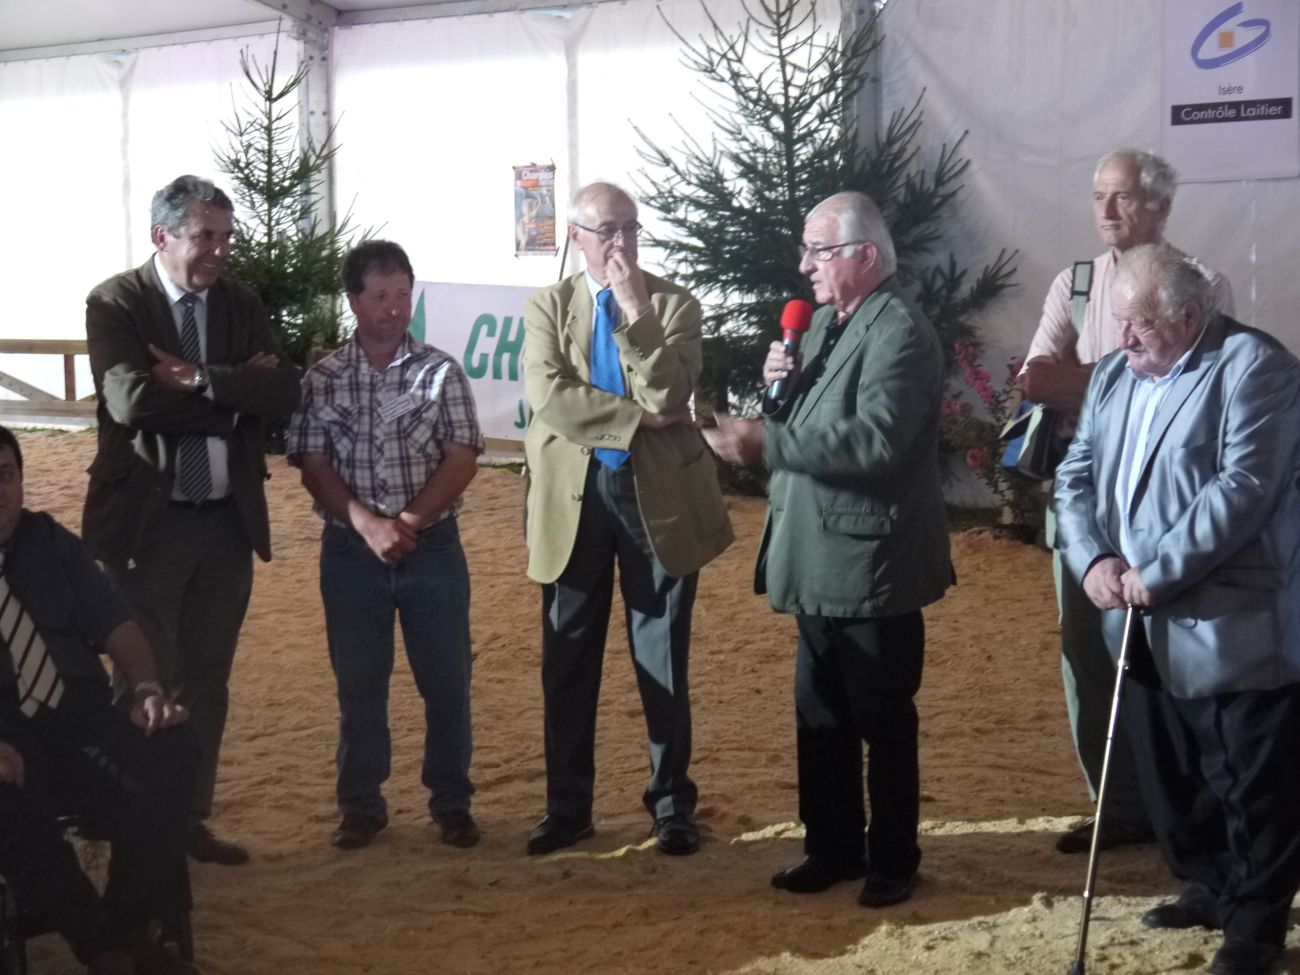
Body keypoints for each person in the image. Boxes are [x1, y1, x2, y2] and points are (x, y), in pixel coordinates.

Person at [1054, 244, 1300, 975]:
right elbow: (1076, 472)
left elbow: (1243, 489)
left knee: (1252, 785)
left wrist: (1155, 573)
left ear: (1189, 317)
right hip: (1134, 616)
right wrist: (1092, 559)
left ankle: (1255, 927)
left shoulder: (1256, 367)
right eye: (1119, 320)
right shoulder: (1112, 375)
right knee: (1174, 778)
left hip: (1232, 621)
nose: (1123, 337)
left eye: (1139, 323)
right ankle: (1211, 885)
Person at [703, 191, 951, 908]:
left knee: (881, 718)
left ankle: (893, 858)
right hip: (817, 552)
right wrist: (778, 392)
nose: (805, 265)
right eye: (806, 251)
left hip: (871, 562)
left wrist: (766, 441)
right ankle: (833, 847)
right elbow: (810, 421)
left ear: (866, 256)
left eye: (819, 250)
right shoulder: (823, 326)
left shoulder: (899, 332)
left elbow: (876, 441)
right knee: (821, 713)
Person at [1017, 148, 1234, 855]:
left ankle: (1189, 811)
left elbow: (1200, 388)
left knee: (1174, 654)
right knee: (1086, 653)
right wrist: (1138, 375)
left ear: (1162, 206)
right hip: (1084, 496)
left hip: (1171, 503)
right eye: (1098, 196)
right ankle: (1118, 804)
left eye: (1124, 197)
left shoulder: (1203, 283)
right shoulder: (1076, 283)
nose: (1106, 211)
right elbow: (1034, 379)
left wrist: (1086, 380)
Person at [83, 174, 302, 866]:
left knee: (208, 678)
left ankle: (185, 818)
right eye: (206, 236)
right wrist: (234, 396)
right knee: (142, 674)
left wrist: (200, 378)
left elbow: (283, 390)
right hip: (147, 525)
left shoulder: (240, 301)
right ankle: (131, 821)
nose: (220, 250)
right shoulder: (116, 302)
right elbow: (130, 403)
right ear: (163, 236)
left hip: (226, 523)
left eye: (226, 236)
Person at [521, 181, 733, 857]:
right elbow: (550, 395)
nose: (621, 242)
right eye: (607, 230)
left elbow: (672, 391)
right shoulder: (547, 306)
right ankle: (567, 809)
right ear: (575, 237)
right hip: (573, 499)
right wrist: (638, 419)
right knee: (568, 660)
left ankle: (672, 805)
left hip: (657, 500)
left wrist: (637, 310)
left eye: (631, 228)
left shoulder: (674, 304)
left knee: (661, 655)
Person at [287, 240, 483, 851]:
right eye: (380, 296)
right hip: (351, 553)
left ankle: (451, 802)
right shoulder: (322, 378)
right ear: (354, 302)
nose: (395, 308)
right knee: (359, 687)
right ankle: (361, 805)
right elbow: (312, 462)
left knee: (447, 683)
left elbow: (462, 455)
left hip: (433, 547)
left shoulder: (441, 371)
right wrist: (367, 525)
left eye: (403, 294)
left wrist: (408, 521)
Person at [0, 426, 198, 975]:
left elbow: (114, 621)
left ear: (20, 481)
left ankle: (122, 932)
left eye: (5, 476)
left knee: (172, 747)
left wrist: (147, 690)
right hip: (6, 737)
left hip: (78, 716)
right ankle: (108, 949)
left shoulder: (48, 541)